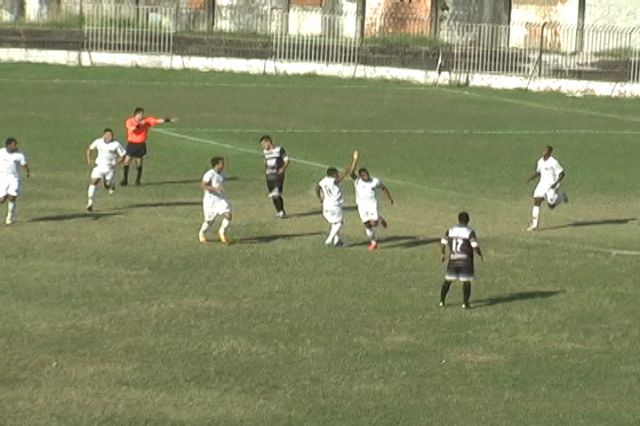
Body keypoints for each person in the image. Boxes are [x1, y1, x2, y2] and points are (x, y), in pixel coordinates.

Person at [121, 107, 177, 186]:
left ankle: (137, 180)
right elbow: (133, 129)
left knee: (139, 162)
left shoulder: (147, 120)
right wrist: (140, 124)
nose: (142, 116)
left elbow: (157, 121)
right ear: (136, 114)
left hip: (140, 144)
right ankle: (125, 179)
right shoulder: (129, 121)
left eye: (142, 114)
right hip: (131, 144)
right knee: (126, 161)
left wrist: (169, 120)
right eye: (140, 114)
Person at [439, 211, 483, 309]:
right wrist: (480, 254)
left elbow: (443, 243)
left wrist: (443, 254)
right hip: (465, 261)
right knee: (466, 281)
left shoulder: (450, 230)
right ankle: (465, 303)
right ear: (468, 220)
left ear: (458, 220)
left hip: (453, 260)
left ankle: (442, 301)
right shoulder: (469, 231)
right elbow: (474, 245)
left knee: (448, 280)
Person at [315, 150, 359, 247]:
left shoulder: (323, 180)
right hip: (334, 206)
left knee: (334, 223)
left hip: (325, 205)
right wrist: (354, 160)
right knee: (339, 223)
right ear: (334, 174)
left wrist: (320, 197)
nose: (338, 174)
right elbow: (344, 175)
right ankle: (329, 239)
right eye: (337, 173)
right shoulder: (333, 181)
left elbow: (317, 187)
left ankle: (337, 241)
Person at [350, 163, 394, 250]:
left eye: (366, 174)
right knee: (367, 225)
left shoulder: (375, 181)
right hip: (361, 206)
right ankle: (373, 243)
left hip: (372, 205)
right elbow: (351, 173)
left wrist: (389, 198)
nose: (366, 176)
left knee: (373, 223)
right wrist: (355, 160)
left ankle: (379, 219)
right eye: (363, 175)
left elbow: (383, 188)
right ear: (360, 176)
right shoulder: (357, 181)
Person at [526, 145, 568, 231]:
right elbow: (538, 172)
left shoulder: (553, 162)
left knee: (551, 205)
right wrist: (530, 178)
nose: (543, 151)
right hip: (542, 184)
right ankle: (534, 225)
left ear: (550, 152)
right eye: (543, 150)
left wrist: (556, 183)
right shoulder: (540, 161)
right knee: (536, 201)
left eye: (545, 150)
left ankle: (562, 196)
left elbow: (562, 173)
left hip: (551, 185)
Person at [85, 128, 126, 211]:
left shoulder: (116, 144)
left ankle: (111, 184)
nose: (110, 137)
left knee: (107, 185)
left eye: (111, 135)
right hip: (99, 166)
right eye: (108, 135)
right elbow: (89, 149)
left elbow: (123, 155)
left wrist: (116, 163)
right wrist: (89, 159)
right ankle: (90, 203)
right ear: (104, 135)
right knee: (93, 182)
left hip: (109, 168)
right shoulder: (98, 142)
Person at [198, 157, 232, 244]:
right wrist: (215, 188)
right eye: (222, 164)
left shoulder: (222, 174)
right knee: (209, 221)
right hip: (210, 200)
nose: (223, 165)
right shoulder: (209, 174)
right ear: (216, 165)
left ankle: (222, 232)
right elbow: (202, 185)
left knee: (228, 215)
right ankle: (201, 233)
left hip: (220, 199)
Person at [0, 137, 30, 225]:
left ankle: (9, 218)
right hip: (2, 178)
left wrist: (27, 172)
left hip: (13, 178)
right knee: (2, 200)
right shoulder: (1, 152)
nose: (16, 146)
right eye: (14, 145)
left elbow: (24, 164)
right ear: (8, 146)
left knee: (12, 197)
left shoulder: (19, 155)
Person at [260, 135, 289, 218]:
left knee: (276, 193)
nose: (263, 146)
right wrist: (265, 170)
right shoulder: (265, 152)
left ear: (268, 142)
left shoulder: (279, 149)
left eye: (263, 144)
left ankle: (281, 211)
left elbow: (286, 160)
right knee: (273, 194)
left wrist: (283, 169)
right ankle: (279, 210)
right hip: (269, 175)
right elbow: (265, 161)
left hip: (278, 175)